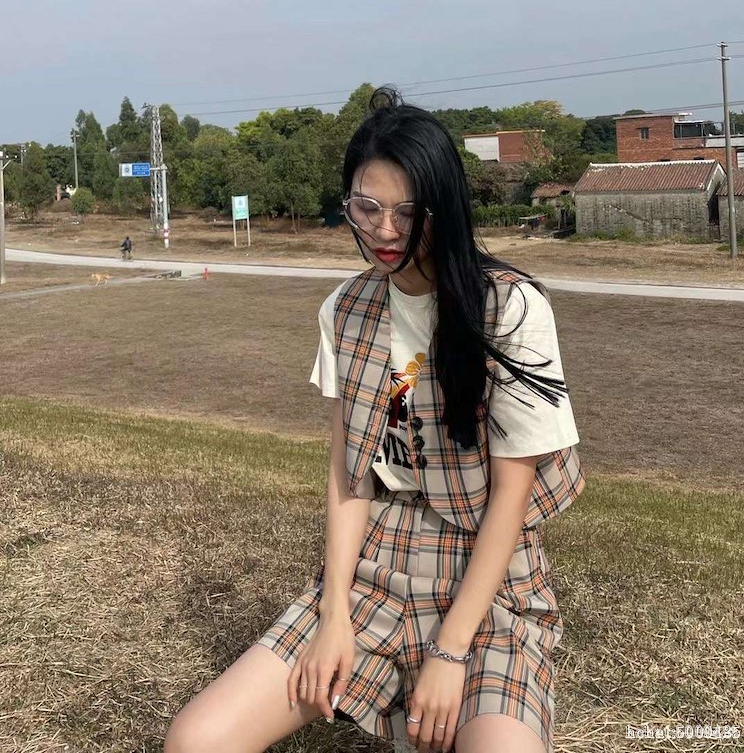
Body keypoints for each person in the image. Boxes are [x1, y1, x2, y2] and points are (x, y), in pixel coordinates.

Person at [164, 87, 585, 753]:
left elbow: (513, 495)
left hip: (488, 572)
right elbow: (349, 474)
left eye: (408, 212)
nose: (385, 232)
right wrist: (334, 613)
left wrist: (450, 653)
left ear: (443, 207)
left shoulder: (511, 308)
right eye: (367, 207)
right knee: (197, 739)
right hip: (376, 562)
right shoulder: (345, 309)